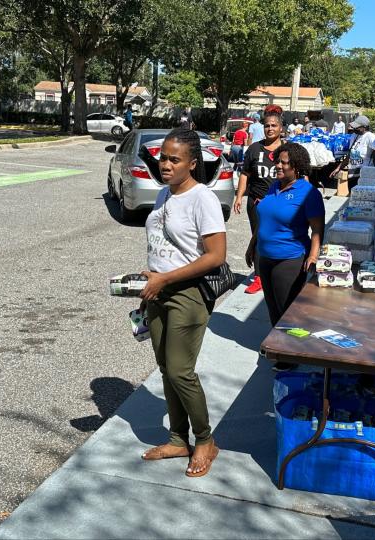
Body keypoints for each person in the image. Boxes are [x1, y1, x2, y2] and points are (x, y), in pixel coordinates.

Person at [139, 127, 226, 477]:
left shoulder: (201, 198)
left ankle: (205, 441)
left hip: (187, 294)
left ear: (192, 163)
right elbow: (167, 245)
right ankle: (178, 438)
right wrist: (150, 279)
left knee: (180, 370)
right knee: (166, 369)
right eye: (164, 158)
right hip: (159, 291)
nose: (166, 165)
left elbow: (216, 255)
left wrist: (167, 278)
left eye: (175, 160)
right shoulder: (164, 195)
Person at [249, 142, 325, 371]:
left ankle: (290, 355)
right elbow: (265, 220)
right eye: (277, 161)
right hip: (265, 256)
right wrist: (252, 245)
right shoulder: (274, 186)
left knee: (287, 311)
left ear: (297, 167)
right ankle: (279, 347)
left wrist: (313, 256)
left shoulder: (308, 193)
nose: (278, 166)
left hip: (290, 259)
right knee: (272, 308)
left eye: (284, 163)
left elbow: (318, 229)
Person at [234, 109, 283, 294]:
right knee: (259, 238)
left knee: (278, 238)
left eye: (273, 125)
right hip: (256, 202)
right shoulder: (254, 148)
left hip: (279, 203)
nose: (270, 129)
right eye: (267, 126)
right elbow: (245, 175)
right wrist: (239, 196)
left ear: (281, 128)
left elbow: (295, 176)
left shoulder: (286, 150)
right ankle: (259, 277)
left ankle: (276, 273)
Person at [330, 115, 375, 197]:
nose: (354, 129)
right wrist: (338, 168)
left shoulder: (370, 136)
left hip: (364, 176)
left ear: (364, 127)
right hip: (352, 175)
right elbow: (350, 155)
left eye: (357, 127)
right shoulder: (354, 136)